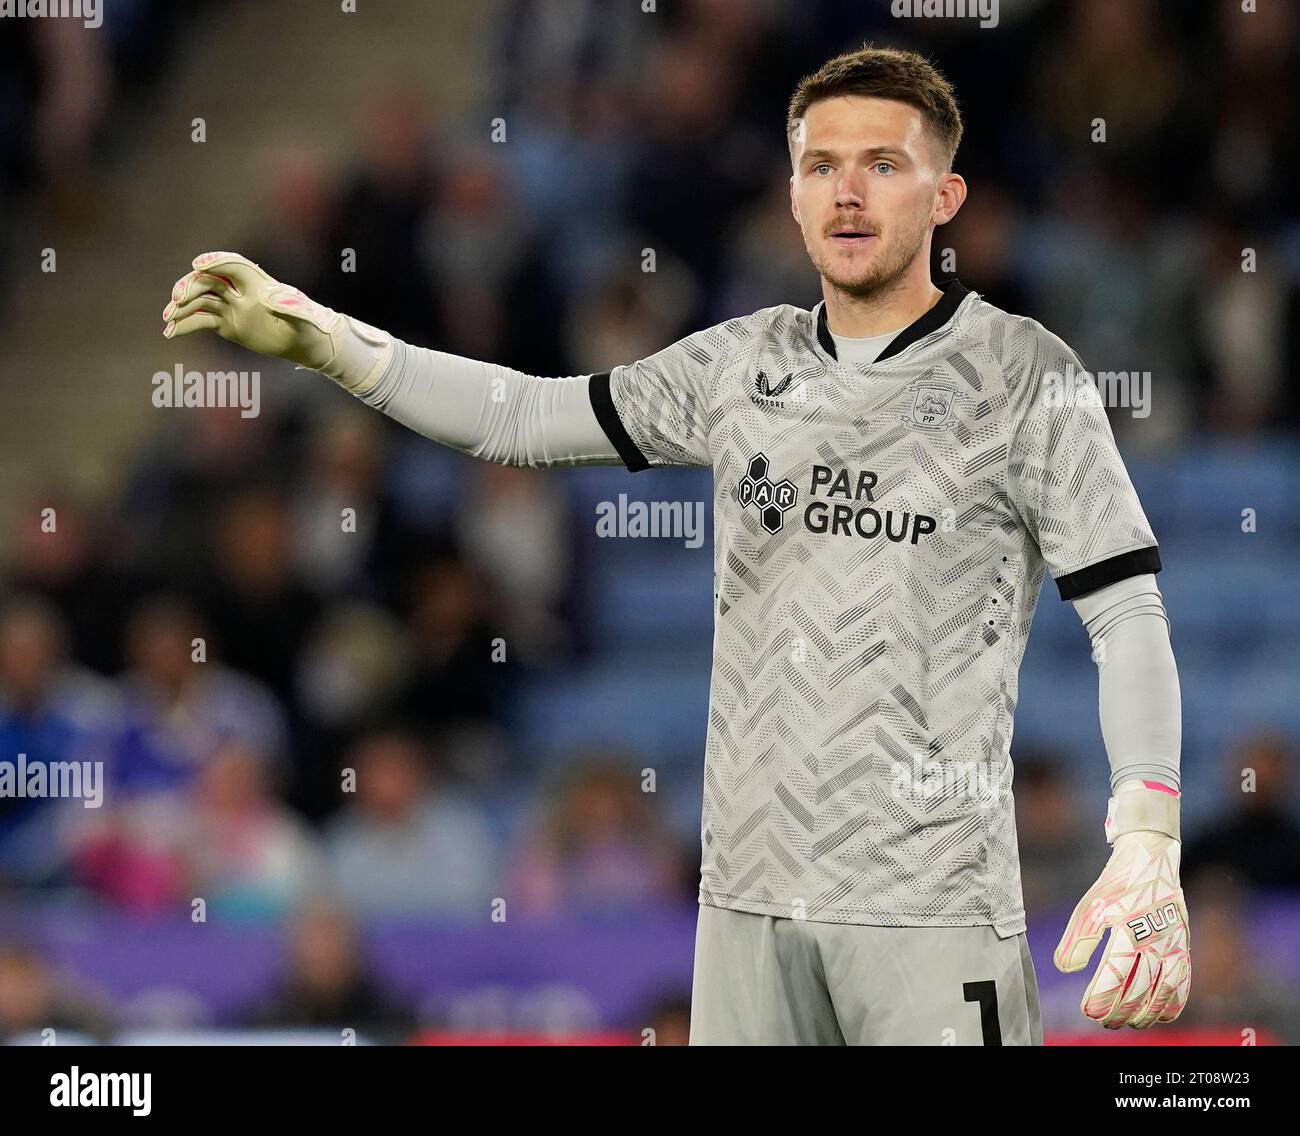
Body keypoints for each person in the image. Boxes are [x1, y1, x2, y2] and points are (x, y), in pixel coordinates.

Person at [160, 44, 1186, 1046]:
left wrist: (1146, 833)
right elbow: (521, 415)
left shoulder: (1020, 373)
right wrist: (327, 340)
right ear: (789, 195)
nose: (846, 192)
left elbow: (1125, 610)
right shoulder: (739, 363)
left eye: (883, 163)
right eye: (820, 165)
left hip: (929, 905)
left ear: (945, 196)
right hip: (743, 904)